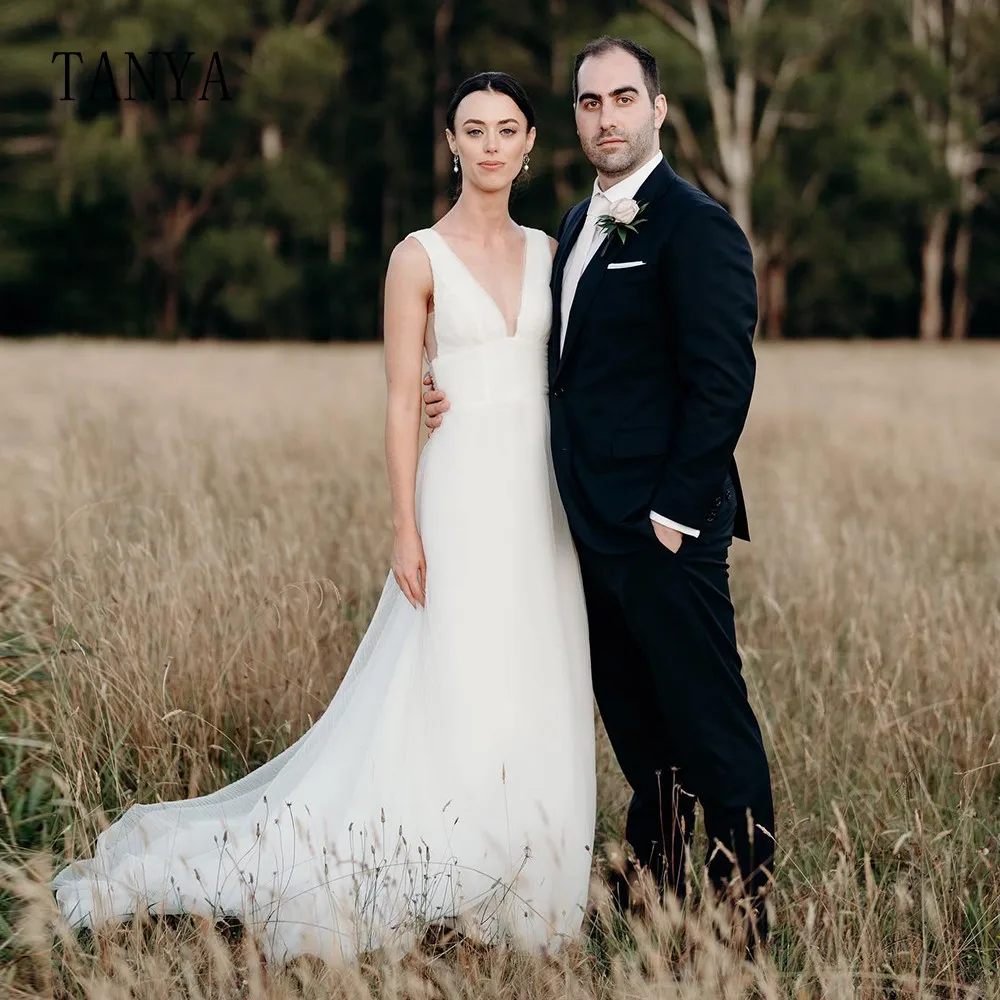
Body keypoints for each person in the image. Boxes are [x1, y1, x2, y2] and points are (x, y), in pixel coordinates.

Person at [52, 72, 597, 967]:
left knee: (537, 664)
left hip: (541, 496)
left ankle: (524, 872)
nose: (492, 144)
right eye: (474, 128)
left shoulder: (553, 248)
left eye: (508, 128)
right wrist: (404, 527)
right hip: (459, 492)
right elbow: (394, 402)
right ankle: (435, 864)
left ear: (532, 143)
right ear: (451, 143)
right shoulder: (416, 256)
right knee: (452, 669)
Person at [423, 37, 776, 956]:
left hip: (664, 531)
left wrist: (673, 515)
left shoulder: (694, 226)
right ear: (574, 119)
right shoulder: (576, 227)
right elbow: (562, 367)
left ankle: (743, 924)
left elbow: (721, 381)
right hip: (585, 532)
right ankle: (652, 899)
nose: (606, 116)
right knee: (640, 738)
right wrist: (450, 388)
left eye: (624, 98)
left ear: (658, 111)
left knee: (710, 730)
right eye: (589, 102)